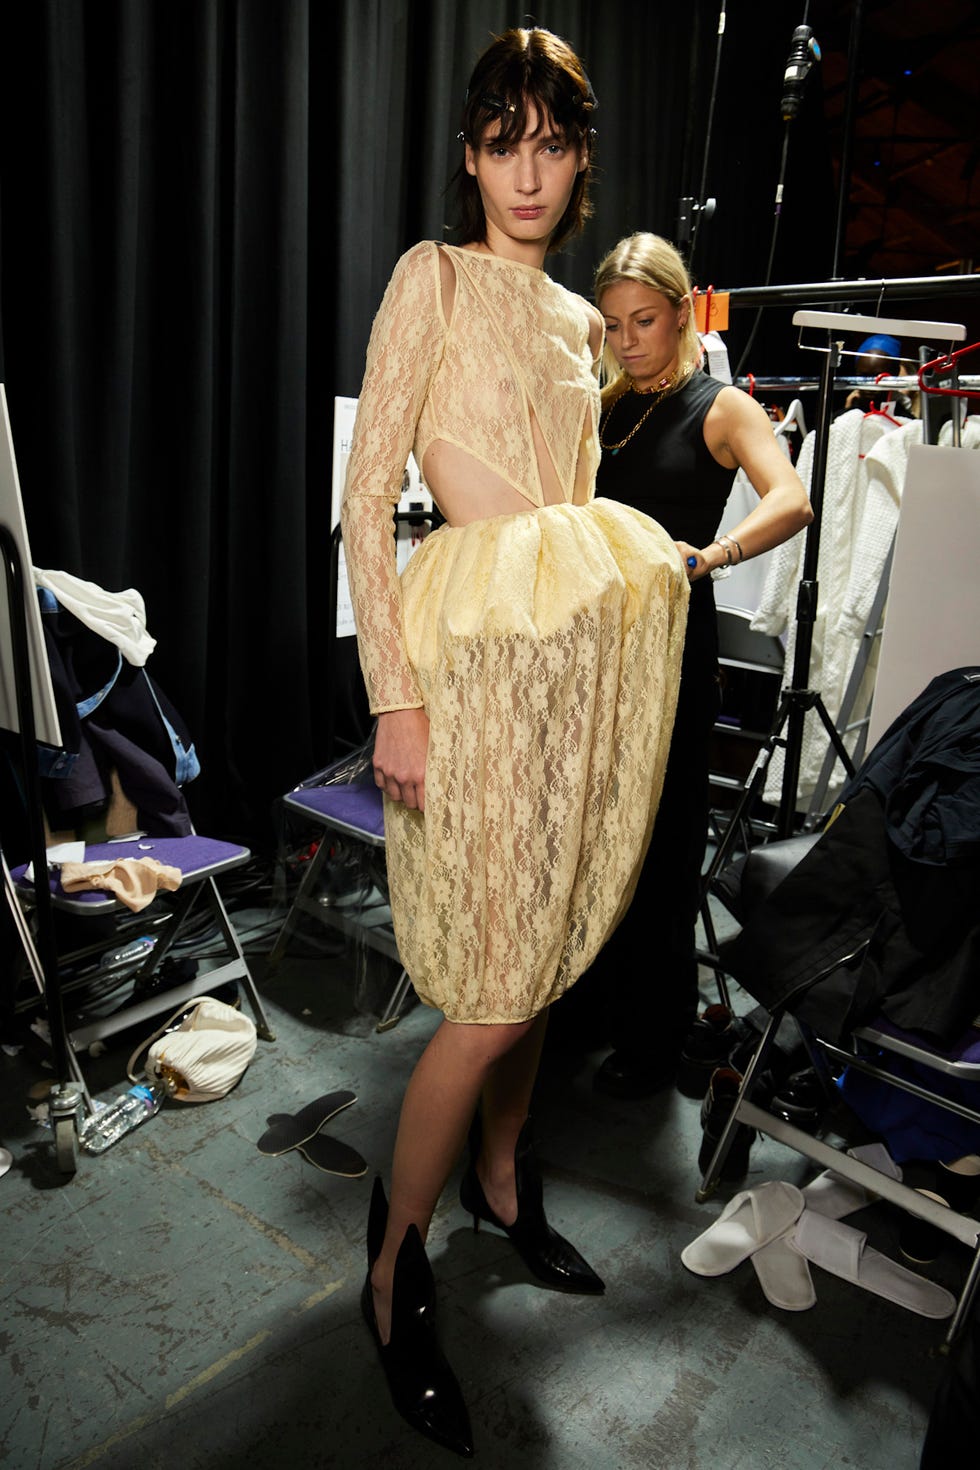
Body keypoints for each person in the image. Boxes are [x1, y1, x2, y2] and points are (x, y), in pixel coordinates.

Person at [341, 35, 688, 1458]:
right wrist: (393, 694)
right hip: (461, 673)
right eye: (504, 141)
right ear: (473, 155)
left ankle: (501, 1181)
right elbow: (372, 503)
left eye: (553, 142)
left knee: (545, 959)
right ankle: (389, 1266)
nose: (529, 170)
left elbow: (575, 533)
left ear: (581, 160)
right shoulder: (431, 278)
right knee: (485, 990)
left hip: (564, 676)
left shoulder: (577, 325)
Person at [576, 231, 813, 1100]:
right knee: (593, 831)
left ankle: (653, 1033)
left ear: (681, 314)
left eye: (644, 320)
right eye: (612, 324)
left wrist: (710, 557)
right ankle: (587, 1009)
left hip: (674, 641)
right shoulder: (600, 405)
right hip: (593, 645)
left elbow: (793, 499)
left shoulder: (721, 407)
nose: (629, 338)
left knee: (662, 840)